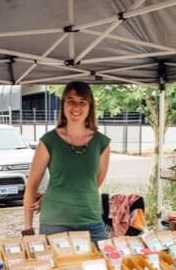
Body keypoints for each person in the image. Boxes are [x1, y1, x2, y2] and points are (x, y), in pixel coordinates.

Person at [22, 81, 111, 242]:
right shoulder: (48, 141)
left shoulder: (101, 142)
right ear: (63, 105)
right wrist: (28, 229)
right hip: (55, 223)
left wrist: (68, 192)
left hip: (91, 220)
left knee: (100, 264)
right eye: (71, 101)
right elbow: (31, 186)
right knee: (59, 267)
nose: (76, 108)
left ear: (90, 106)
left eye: (82, 102)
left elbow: (94, 182)